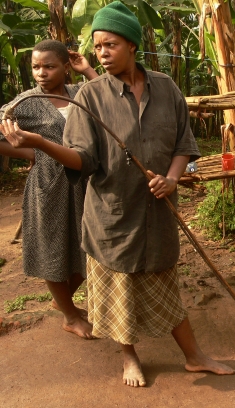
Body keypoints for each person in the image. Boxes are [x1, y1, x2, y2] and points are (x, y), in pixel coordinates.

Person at [1, 1, 234, 387]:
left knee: (165, 287)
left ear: (132, 44)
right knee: (119, 292)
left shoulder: (166, 88)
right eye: (97, 47)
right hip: (111, 216)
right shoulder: (90, 96)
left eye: (110, 44)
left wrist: (172, 179)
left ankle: (195, 357)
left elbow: (183, 144)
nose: (102, 53)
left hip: (158, 214)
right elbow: (83, 159)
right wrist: (39, 143)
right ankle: (129, 357)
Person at [0, 40, 98, 339]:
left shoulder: (80, 92)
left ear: (66, 67)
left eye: (49, 66)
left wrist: (88, 70)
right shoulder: (25, 102)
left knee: (90, 247)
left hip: (86, 183)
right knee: (52, 249)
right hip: (49, 185)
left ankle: (62, 300)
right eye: (36, 67)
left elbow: (110, 99)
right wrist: (32, 153)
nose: (41, 73)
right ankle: (70, 316)